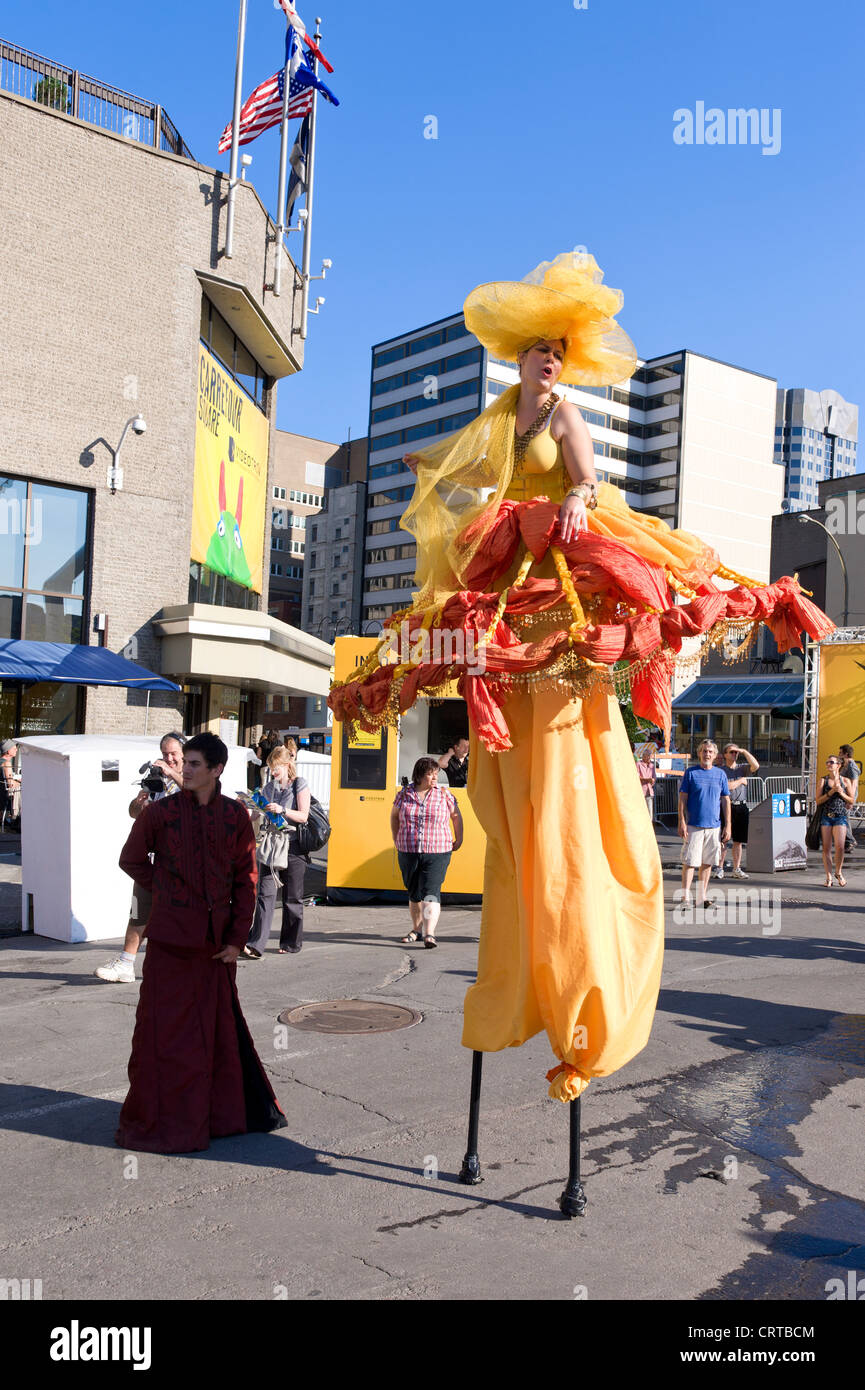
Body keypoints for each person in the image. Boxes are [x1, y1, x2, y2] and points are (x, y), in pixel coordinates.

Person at [328, 250, 833, 1101]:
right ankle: (528, 942)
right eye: (539, 350)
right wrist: (433, 471)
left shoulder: (561, 414)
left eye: (559, 350)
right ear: (519, 355)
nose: (549, 361)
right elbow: (470, 464)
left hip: (554, 553)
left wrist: (574, 496)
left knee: (594, 643)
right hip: (510, 560)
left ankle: (580, 979)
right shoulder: (500, 411)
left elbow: (585, 471)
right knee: (463, 653)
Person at [115, 732, 286, 1153]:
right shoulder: (161, 814)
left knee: (214, 1035)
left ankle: (218, 1116)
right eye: (183, 763)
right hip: (172, 943)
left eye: (193, 764)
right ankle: (165, 1120)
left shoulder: (234, 817)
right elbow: (130, 859)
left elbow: (246, 883)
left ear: (216, 770)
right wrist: (170, 888)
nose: (184, 770)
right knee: (164, 1036)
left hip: (214, 949)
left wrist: (236, 939)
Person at [95, 732, 185, 983]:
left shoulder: (189, 777)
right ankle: (125, 964)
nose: (169, 758)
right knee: (138, 911)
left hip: (180, 863)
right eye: (165, 753)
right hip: (153, 860)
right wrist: (140, 802)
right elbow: (133, 813)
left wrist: (172, 774)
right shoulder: (156, 779)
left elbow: (198, 796)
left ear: (183, 754)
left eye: (173, 753)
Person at [245, 746, 310, 957]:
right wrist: (246, 806)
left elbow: (303, 816)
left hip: (293, 846)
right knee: (265, 894)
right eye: (271, 768)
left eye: (276, 768)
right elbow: (255, 816)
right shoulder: (268, 788)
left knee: (293, 897)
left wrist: (283, 810)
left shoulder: (299, 784)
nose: (273, 772)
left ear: (287, 765)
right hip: (271, 846)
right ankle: (256, 944)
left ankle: (291, 942)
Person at [391, 757, 463, 948]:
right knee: (414, 892)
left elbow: (456, 816)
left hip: (438, 850)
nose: (434, 777)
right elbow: (394, 816)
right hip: (408, 849)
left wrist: (459, 838)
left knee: (431, 892)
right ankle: (416, 929)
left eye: (436, 774)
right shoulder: (404, 794)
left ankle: (429, 933)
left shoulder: (444, 794)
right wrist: (396, 837)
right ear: (420, 775)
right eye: (430, 774)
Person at [678, 741, 731, 908]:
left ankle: (701, 898)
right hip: (694, 824)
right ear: (699, 753)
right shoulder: (691, 773)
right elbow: (683, 798)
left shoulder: (720, 774)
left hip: (714, 826)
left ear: (715, 756)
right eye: (704, 751)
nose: (707, 754)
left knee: (707, 862)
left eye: (710, 752)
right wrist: (682, 821)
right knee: (690, 861)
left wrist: (728, 825)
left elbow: (725, 800)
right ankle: (685, 898)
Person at [714, 742, 759, 880]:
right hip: (726, 806)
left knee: (739, 841)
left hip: (741, 806)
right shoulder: (721, 770)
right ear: (725, 755)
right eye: (731, 752)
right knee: (724, 839)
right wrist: (741, 781)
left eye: (736, 752)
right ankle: (719, 868)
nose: (734, 754)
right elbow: (727, 786)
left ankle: (736, 868)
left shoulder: (742, 768)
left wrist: (744, 751)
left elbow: (756, 766)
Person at [816, 755, 855, 888]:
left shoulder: (845, 781)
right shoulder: (823, 780)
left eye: (831, 762)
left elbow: (851, 800)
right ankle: (828, 876)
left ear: (838, 765)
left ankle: (838, 872)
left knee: (840, 846)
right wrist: (831, 792)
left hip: (840, 816)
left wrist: (841, 792)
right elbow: (818, 800)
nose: (828, 764)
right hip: (826, 816)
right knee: (826, 848)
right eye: (827, 762)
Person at [837, 744, 860, 852]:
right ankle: (848, 842)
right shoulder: (846, 765)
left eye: (840, 753)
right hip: (844, 796)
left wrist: (851, 799)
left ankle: (850, 841)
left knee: (843, 818)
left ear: (846, 754)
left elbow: (854, 784)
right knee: (844, 818)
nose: (839, 755)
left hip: (848, 796)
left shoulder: (852, 766)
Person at [1, 739, 21, 823]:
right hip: (3, 794)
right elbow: (10, 784)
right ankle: (17, 817)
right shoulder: (6, 763)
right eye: (14, 748)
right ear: (8, 751)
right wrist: (20, 782)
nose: (16, 749)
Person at [636, 744, 657, 820]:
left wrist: (653, 780)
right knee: (640, 813)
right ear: (643, 756)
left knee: (649, 814)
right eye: (647, 756)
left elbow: (654, 776)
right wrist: (648, 779)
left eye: (650, 756)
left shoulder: (652, 765)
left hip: (649, 792)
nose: (649, 758)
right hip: (641, 791)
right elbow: (637, 777)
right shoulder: (638, 764)